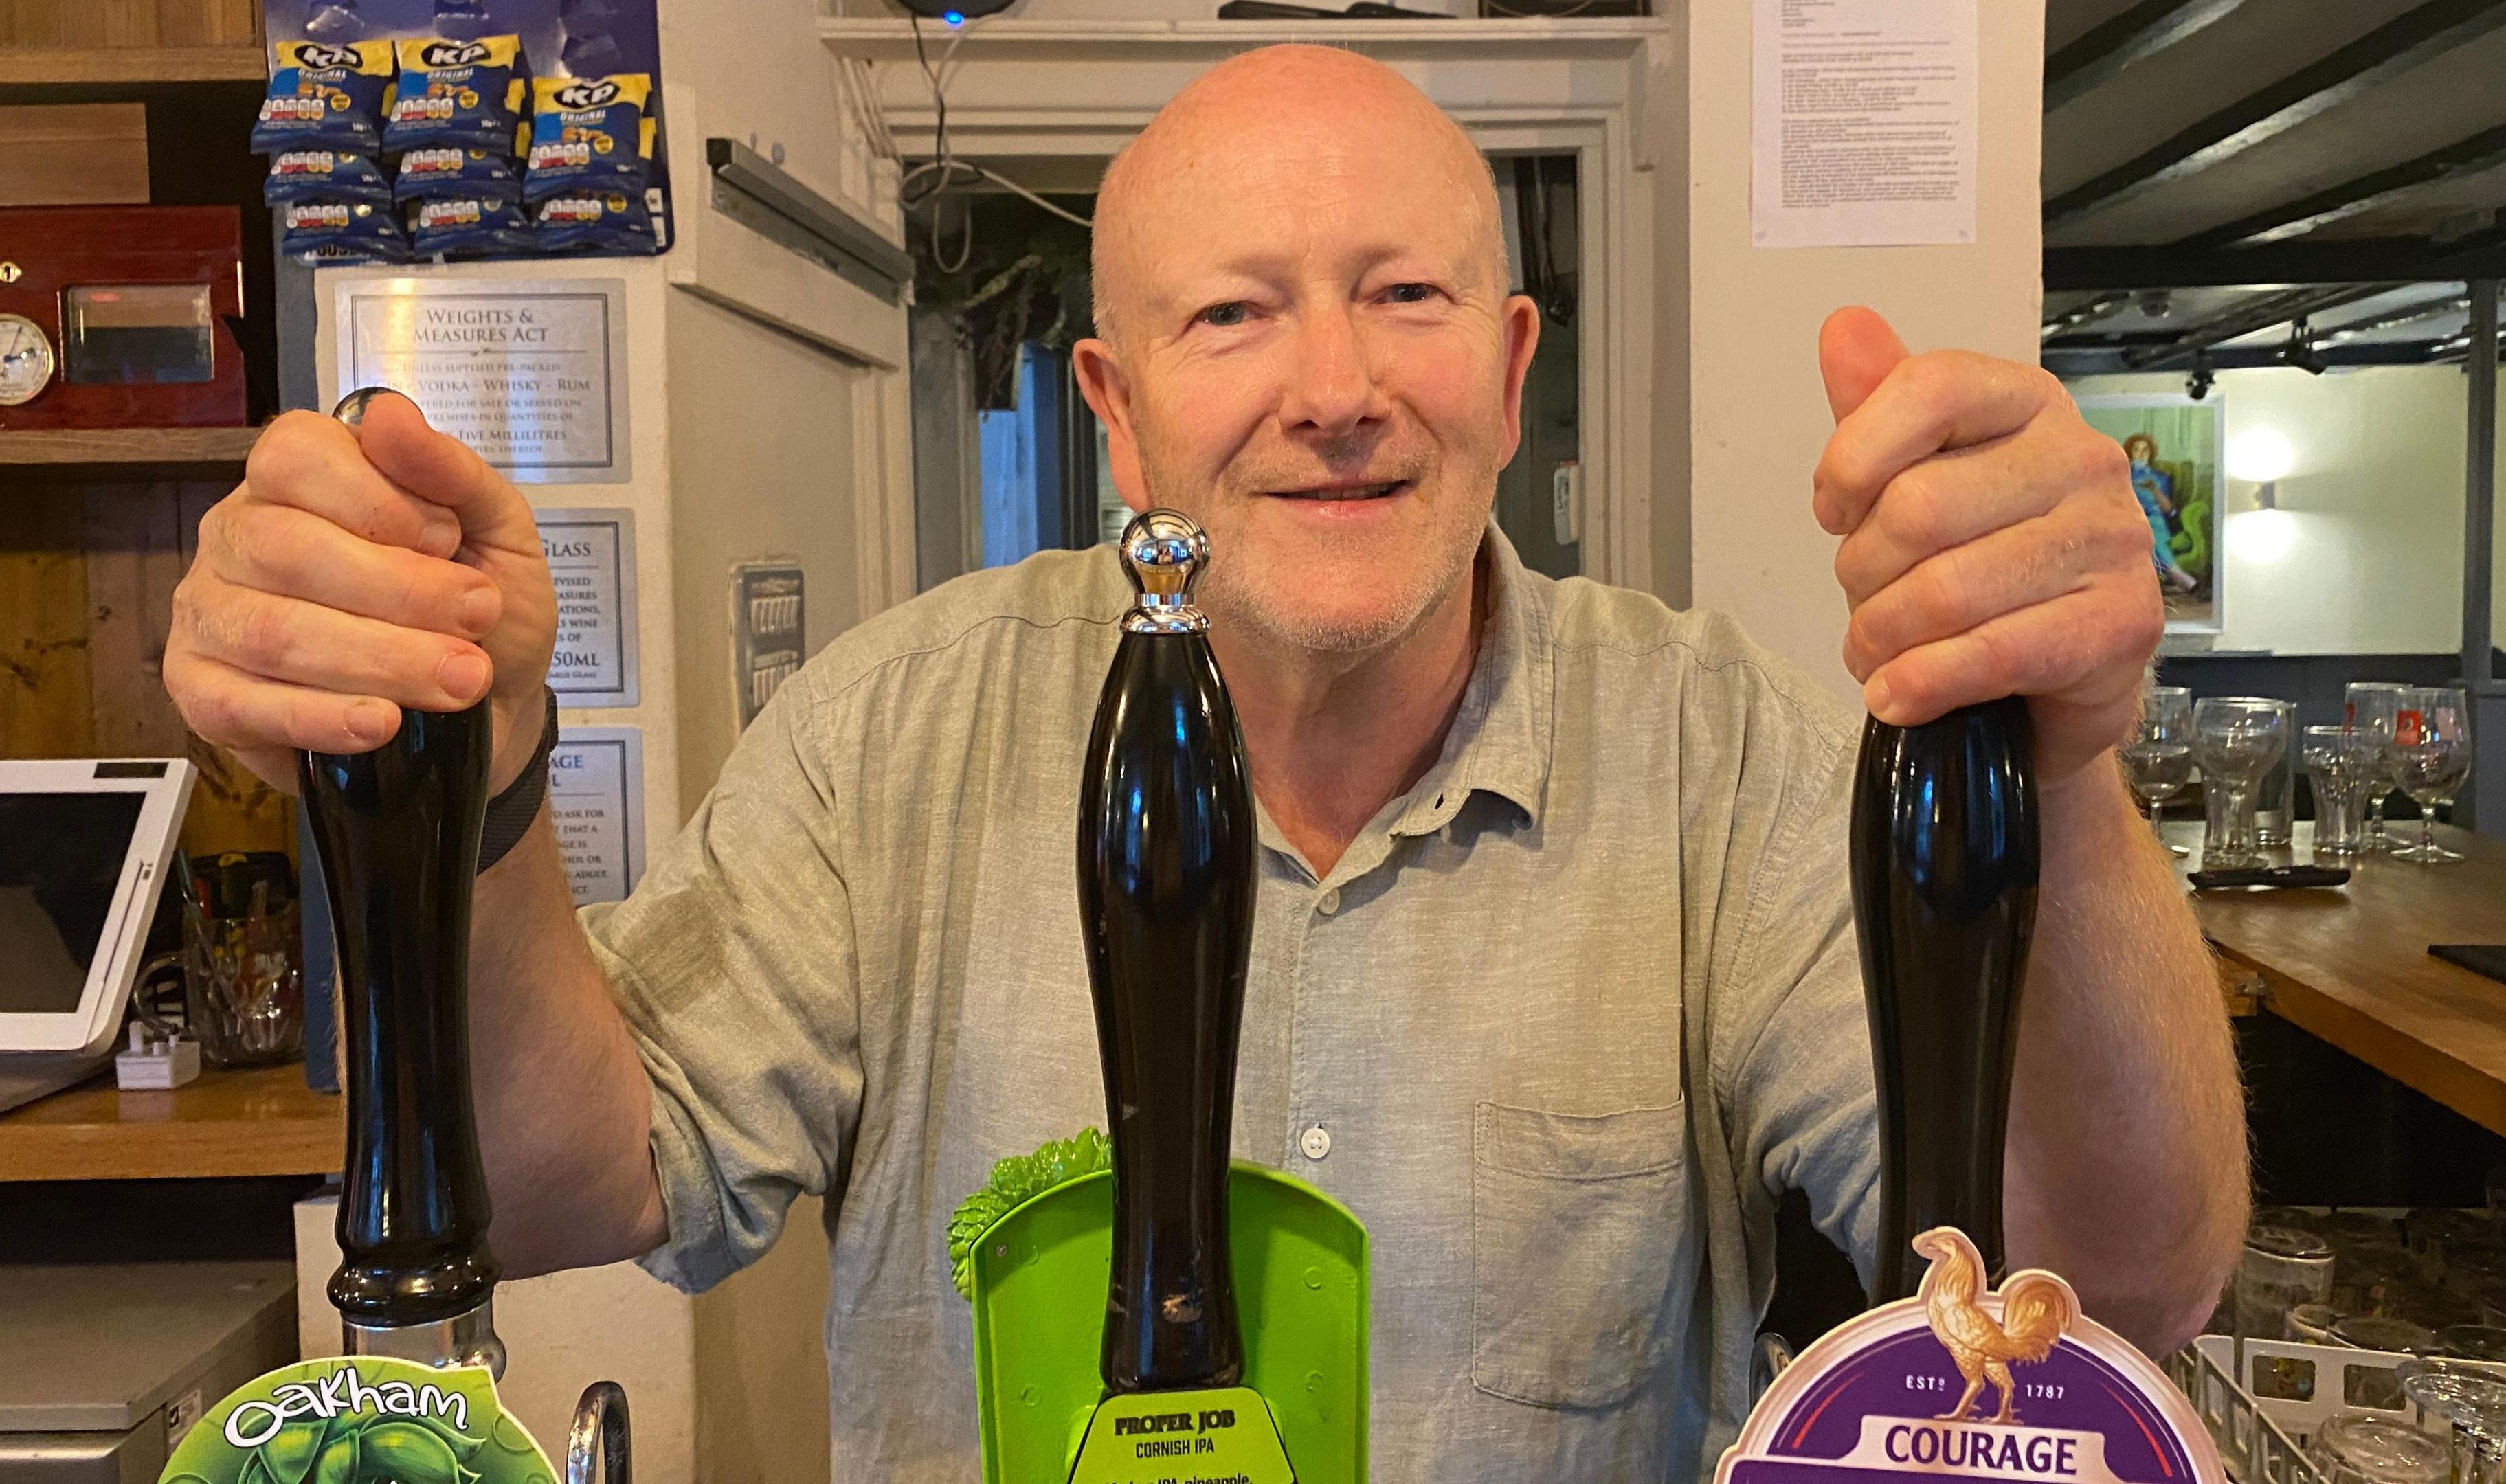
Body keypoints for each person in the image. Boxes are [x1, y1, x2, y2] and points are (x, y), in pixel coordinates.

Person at [163, 45, 2246, 1482]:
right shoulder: (891, 731)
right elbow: (552, 1191)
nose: (1333, 389)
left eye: (1406, 296)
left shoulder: (1710, 749)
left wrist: (2063, 764)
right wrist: (485, 774)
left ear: (1509, 375)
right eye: (1235, 315)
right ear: (1116, 409)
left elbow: (2116, 1280)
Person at [2123, 432, 2198, 594]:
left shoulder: (2161, 478)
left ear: (2151, 454)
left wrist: (2154, 490)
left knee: (2149, 532)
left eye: (2145, 450)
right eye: (2137, 450)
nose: (2141, 454)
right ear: (2130, 452)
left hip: (2156, 521)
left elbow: (2169, 510)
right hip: (2129, 519)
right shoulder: (2121, 476)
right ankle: (2172, 577)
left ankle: (2176, 576)